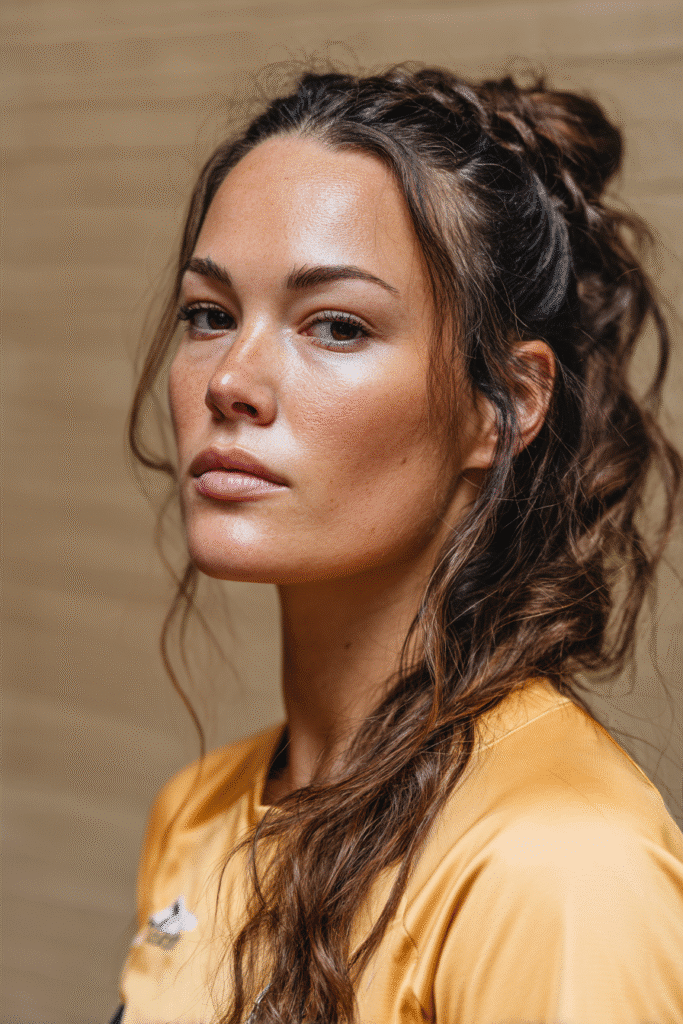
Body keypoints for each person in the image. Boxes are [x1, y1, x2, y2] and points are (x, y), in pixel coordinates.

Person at [111, 65, 683, 1024]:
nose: (230, 381)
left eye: (335, 325)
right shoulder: (198, 811)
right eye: (209, 314)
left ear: (503, 407)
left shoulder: (561, 869)